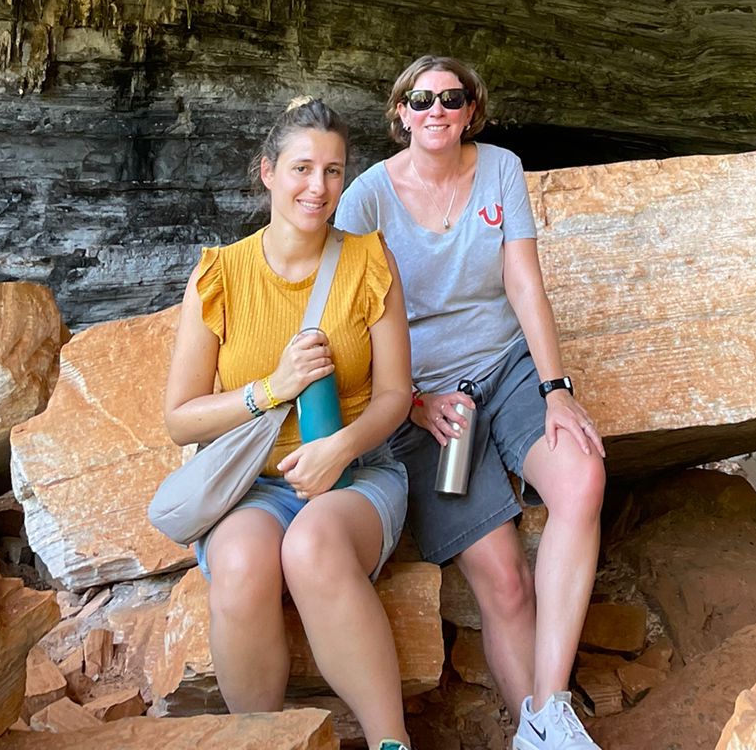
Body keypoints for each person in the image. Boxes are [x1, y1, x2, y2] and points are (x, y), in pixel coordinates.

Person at [336, 56, 607, 750]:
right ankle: (532, 732)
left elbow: (523, 283)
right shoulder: (366, 198)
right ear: (400, 112)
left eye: (450, 99)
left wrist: (556, 389)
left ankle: (551, 714)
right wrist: (413, 403)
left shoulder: (500, 170)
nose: (436, 110)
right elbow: (350, 325)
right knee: (505, 582)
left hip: (507, 368)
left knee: (581, 477)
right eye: (421, 99)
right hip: (425, 403)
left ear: (470, 111)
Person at [164, 96, 415, 750]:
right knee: (244, 564)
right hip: (256, 482)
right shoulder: (219, 275)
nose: (319, 187)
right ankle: (265, 739)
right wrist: (270, 389)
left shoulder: (369, 259)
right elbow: (180, 419)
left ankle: (392, 742)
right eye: (303, 168)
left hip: (358, 474)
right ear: (267, 172)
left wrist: (340, 448)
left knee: (312, 548)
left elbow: (395, 394)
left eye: (334, 171)